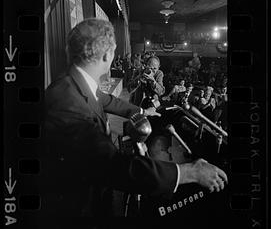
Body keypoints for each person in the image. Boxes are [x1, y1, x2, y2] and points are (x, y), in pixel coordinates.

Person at [42, 18, 228, 221]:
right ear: (107, 55)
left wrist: (140, 111)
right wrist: (188, 172)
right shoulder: (67, 104)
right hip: (78, 210)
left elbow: (107, 100)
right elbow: (114, 166)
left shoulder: (75, 83)